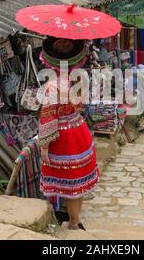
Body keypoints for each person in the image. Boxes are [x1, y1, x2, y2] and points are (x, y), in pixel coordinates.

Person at [38, 37, 99, 231]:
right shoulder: (79, 79)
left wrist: (44, 146)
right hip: (79, 130)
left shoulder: (53, 87)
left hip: (63, 138)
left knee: (70, 184)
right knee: (77, 181)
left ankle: (73, 222)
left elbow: (48, 118)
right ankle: (76, 218)